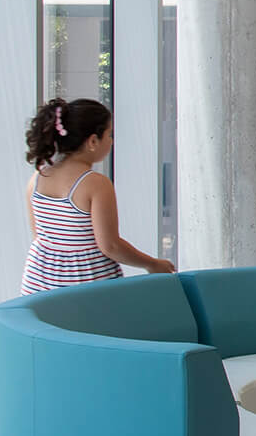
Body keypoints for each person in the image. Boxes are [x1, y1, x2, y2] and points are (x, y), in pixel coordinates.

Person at [20, 97, 173, 293]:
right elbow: (110, 246)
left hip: (37, 284)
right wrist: (152, 264)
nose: (111, 141)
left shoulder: (37, 178)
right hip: (86, 289)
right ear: (93, 141)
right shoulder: (95, 184)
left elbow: (40, 236)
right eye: (109, 134)